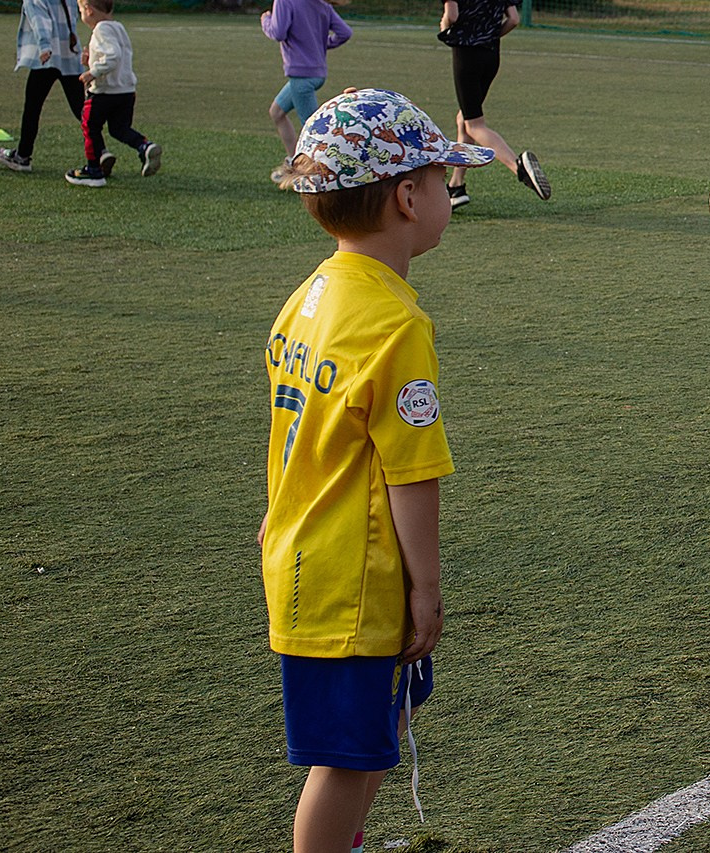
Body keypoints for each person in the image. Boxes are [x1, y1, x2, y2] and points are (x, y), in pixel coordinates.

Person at [263, 88, 493, 853]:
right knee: (344, 754)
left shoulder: (307, 297)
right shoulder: (395, 324)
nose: (449, 191)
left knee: (382, 721)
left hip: (304, 553)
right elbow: (410, 471)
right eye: (442, 178)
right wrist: (425, 586)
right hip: (353, 578)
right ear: (406, 196)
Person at [436, 0, 550, 207]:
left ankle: (518, 167)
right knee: (464, 118)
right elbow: (513, 19)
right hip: (491, 56)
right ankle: (456, 186)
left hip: (466, 56)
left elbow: (453, 14)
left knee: (475, 125)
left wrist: (445, 24)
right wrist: (490, 35)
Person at [263, 0, 356, 188]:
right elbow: (345, 32)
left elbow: (278, 32)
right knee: (276, 112)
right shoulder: (320, 2)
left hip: (301, 76)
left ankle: (321, 172)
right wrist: (323, 43)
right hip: (315, 74)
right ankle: (296, 163)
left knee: (314, 131)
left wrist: (265, 21)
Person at [0, 0, 83, 174]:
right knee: (80, 108)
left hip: (47, 59)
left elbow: (40, 22)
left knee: (32, 107)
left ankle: (23, 156)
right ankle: (100, 151)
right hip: (70, 58)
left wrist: (44, 47)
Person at [66, 0, 161, 187]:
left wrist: (93, 72)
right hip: (126, 91)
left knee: (89, 125)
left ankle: (94, 171)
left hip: (104, 92)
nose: (81, 15)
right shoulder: (118, 27)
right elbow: (118, 55)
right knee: (119, 128)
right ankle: (144, 146)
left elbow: (113, 56)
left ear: (89, 10)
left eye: (81, 10)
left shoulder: (101, 29)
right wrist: (90, 60)